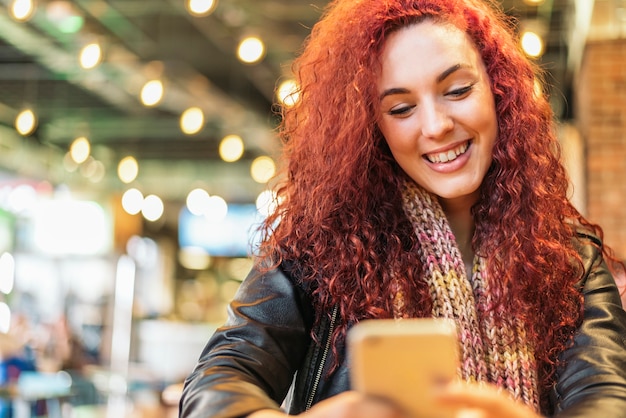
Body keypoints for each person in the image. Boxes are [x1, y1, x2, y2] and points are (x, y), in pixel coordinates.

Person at [179, 0, 626, 417]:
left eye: (457, 89)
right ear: (371, 127)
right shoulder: (317, 248)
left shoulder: (568, 254)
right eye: (401, 108)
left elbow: (605, 395)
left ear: (498, 90)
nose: (435, 126)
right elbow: (216, 386)